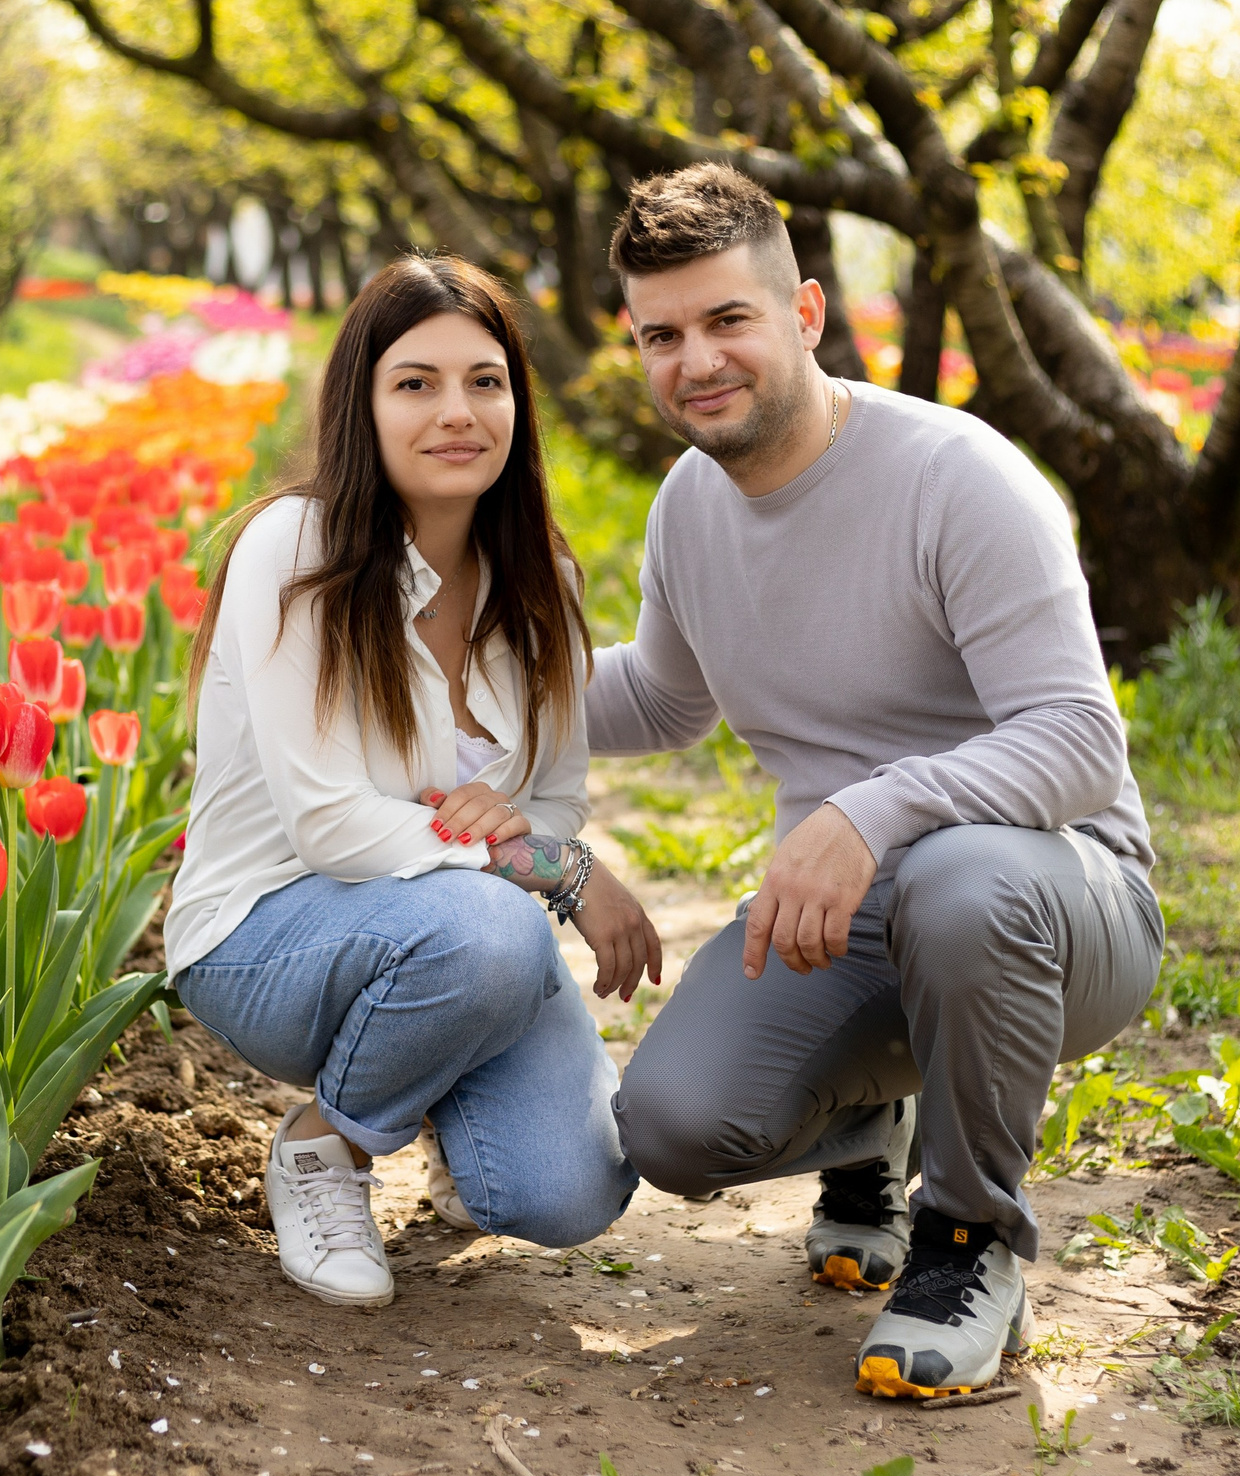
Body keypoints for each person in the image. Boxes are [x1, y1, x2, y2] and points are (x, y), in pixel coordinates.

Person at [589, 164, 1164, 1398]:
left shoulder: (956, 478)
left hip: (1061, 908)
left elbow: (1077, 741)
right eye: (662, 335)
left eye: (727, 320)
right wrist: (462, 685)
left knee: (958, 884)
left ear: (802, 313)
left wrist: (870, 806)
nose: (697, 360)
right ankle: (872, 1127)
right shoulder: (689, 505)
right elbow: (662, 697)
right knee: (674, 1127)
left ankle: (966, 1240)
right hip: (844, 928)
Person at [167, 254, 659, 1309]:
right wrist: (542, 861)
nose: (457, 411)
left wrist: (524, 831)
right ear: (363, 402)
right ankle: (325, 1148)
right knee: (493, 929)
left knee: (569, 1192)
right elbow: (333, 827)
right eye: (416, 383)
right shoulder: (293, 550)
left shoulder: (545, 585)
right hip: (265, 937)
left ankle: (432, 1081)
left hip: (450, 935)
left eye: (485, 381)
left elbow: (555, 794)